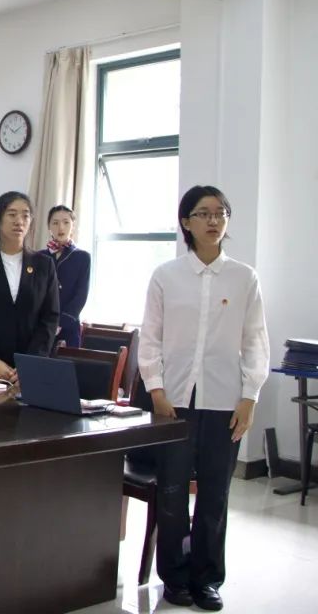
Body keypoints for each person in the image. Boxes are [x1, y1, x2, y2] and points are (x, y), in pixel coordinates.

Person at [137, 185, 269, 611]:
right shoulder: (166, 275)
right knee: (173, 492)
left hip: (225, 401)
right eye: (204, 213)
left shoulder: (244, 277)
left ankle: (207, 578)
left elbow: (256, 341)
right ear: (186, 222)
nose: (214, 220)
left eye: (221, 213)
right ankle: (174, 578)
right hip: (173, 400)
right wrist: (156, 389)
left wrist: (250, 397)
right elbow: (150, 338)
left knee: (215, 495)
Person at [0, 191, 59, 382]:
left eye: (25, 216)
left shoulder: (44, 265)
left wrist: (29, 364)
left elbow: (50, 317)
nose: (19, 221)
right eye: (12, 214)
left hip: (29, 371)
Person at [38, 205, 90, 348]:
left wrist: (61, 323)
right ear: (49, 227)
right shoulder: (39, 257)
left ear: (73, 226)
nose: (61, 227)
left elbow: (81, 295)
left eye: (66, 222)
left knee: (65, 361)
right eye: (55, 223)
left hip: (69, 327)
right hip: (41, 326)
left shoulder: (82, 257)